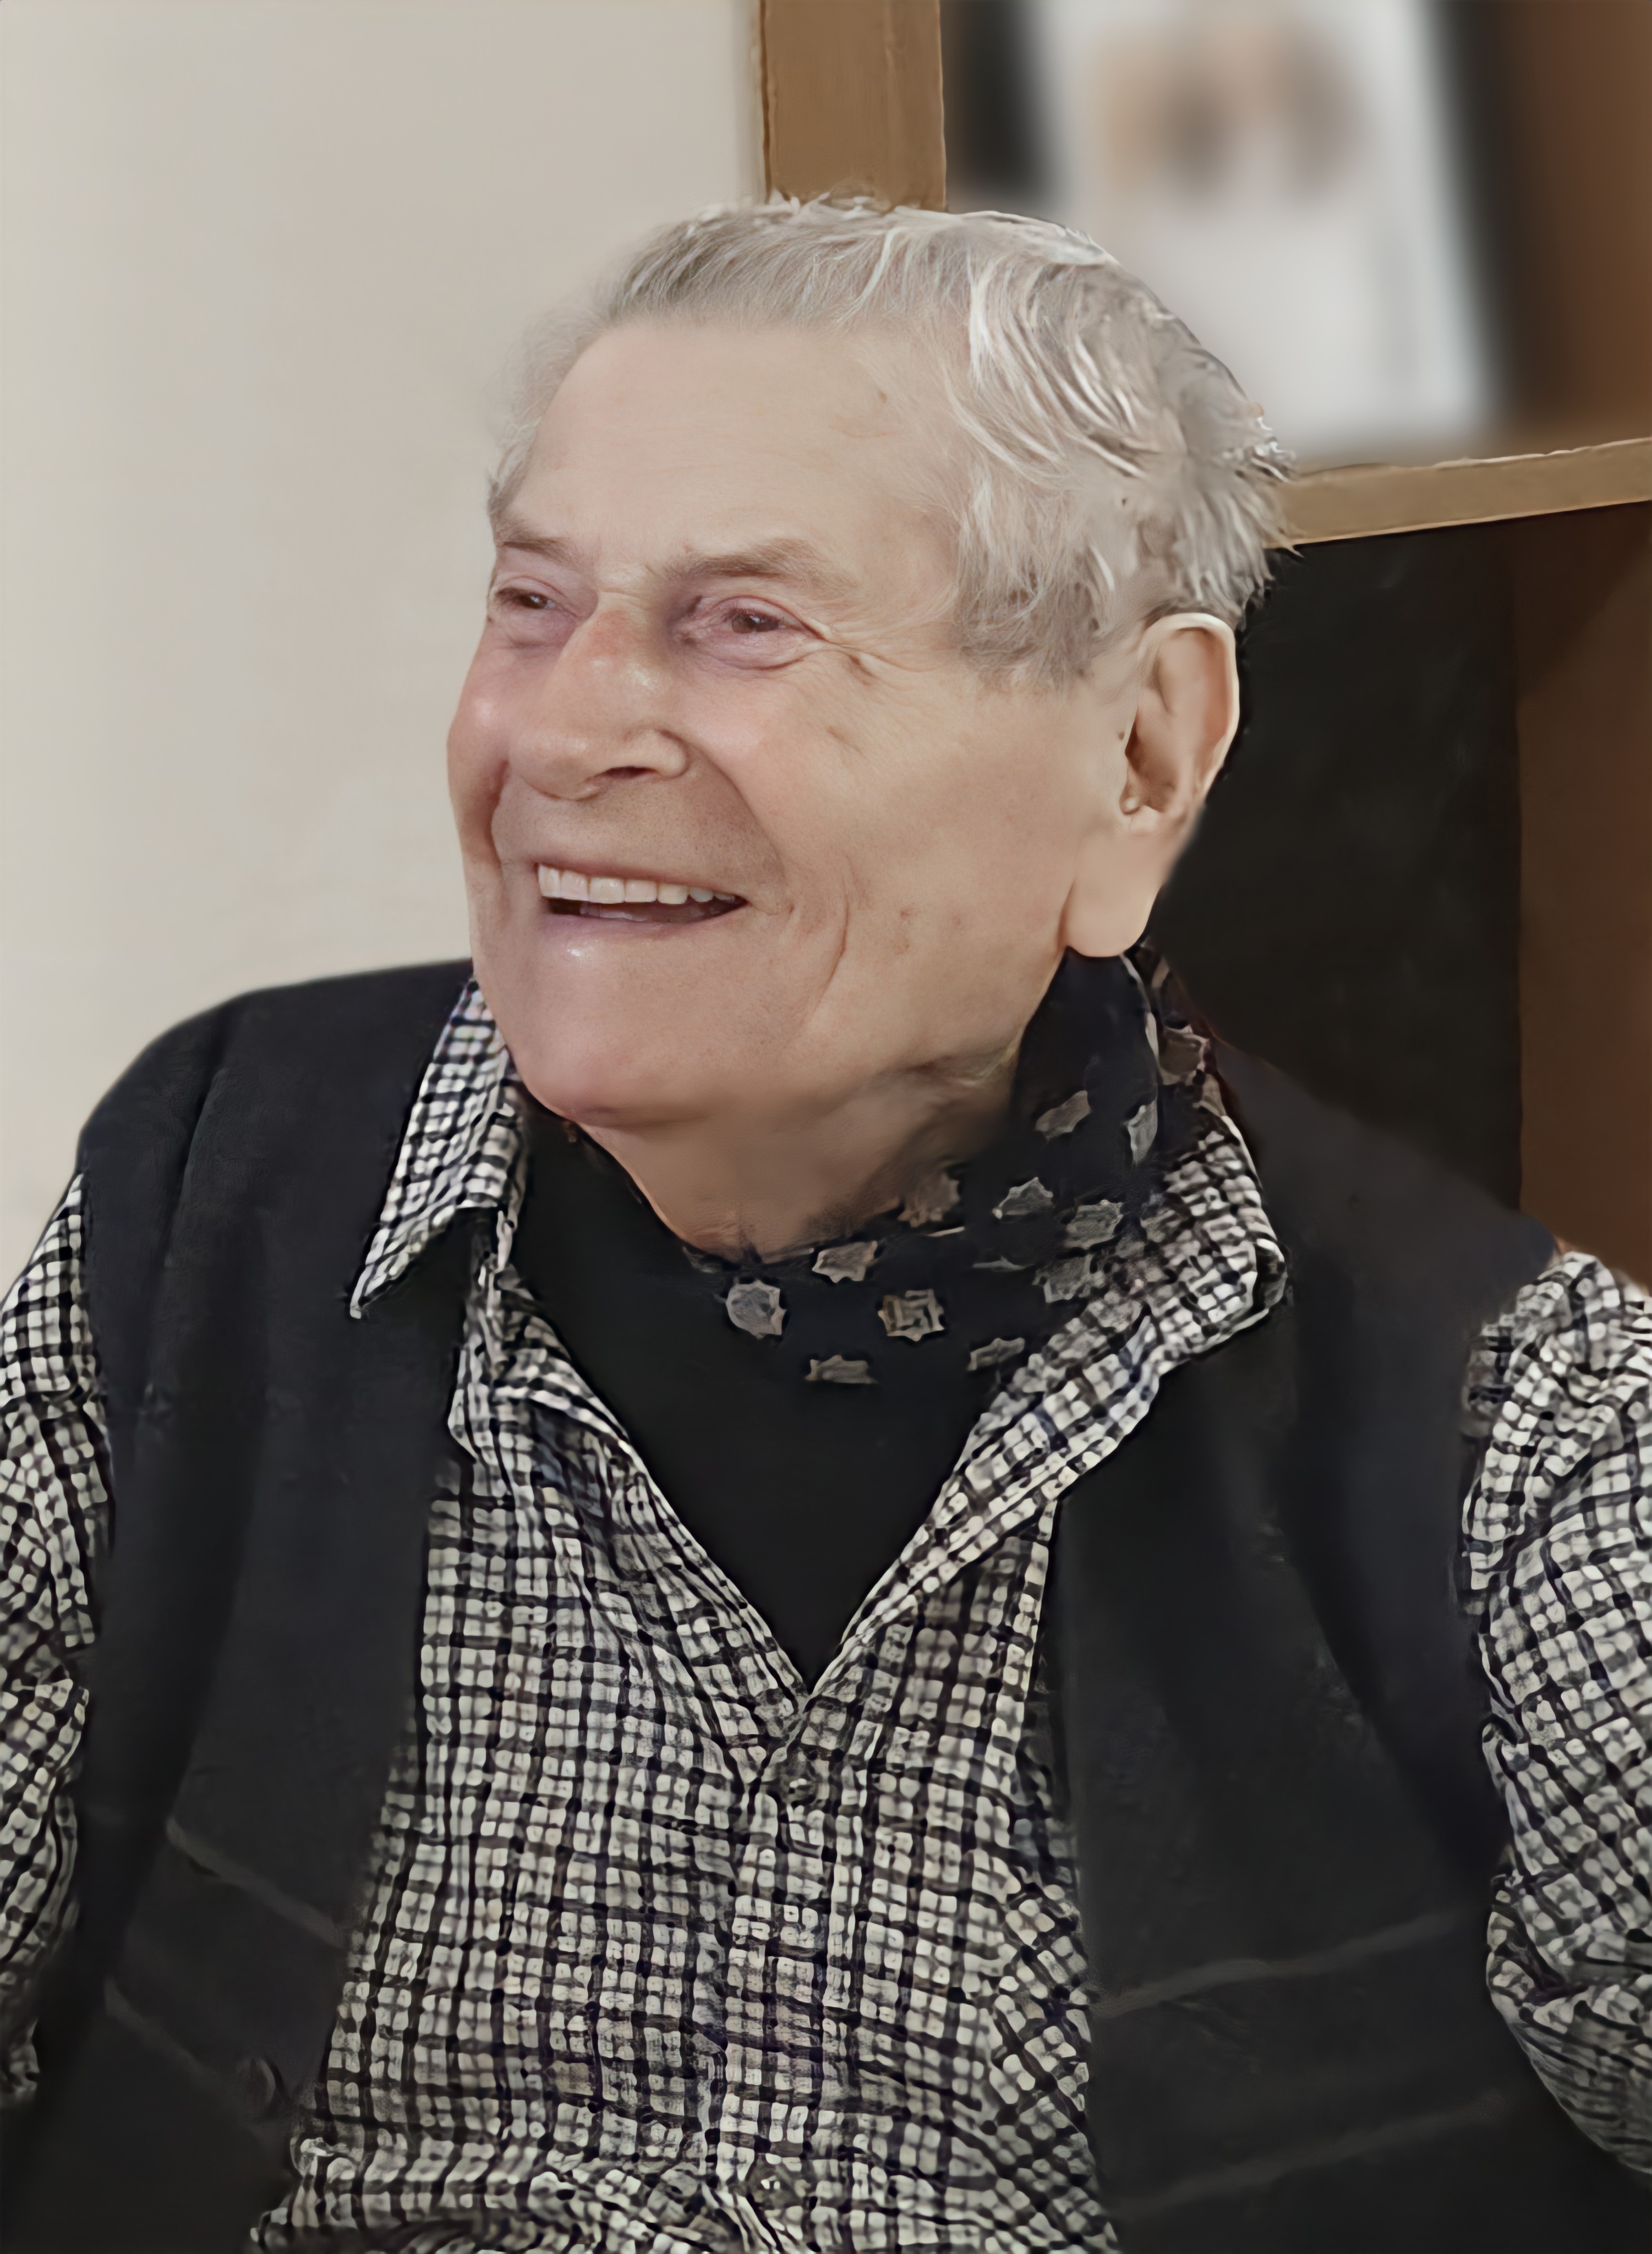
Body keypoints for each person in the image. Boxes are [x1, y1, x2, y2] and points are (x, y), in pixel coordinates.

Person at [1, 199, 1648, 2254]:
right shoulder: (207, 1200)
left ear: (1141, 757)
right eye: (530, 603)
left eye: (744, 624)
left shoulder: (1508, 1430)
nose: (563, 731)